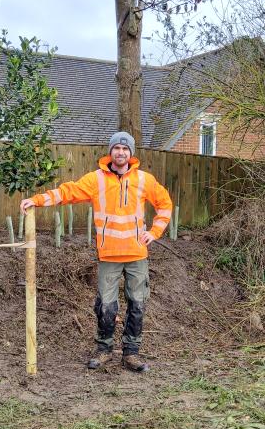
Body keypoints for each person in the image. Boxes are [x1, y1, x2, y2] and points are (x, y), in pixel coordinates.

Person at [20, 132, 172, 372]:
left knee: (138, 305)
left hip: (137, 255)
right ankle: (104, 350)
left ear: (131, 153)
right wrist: (37, 200)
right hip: (108, 256)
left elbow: (165, 204)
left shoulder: (144, 180)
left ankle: (131, 354)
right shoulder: (96, 180)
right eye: (117, 148)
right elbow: (67, 192)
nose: (121, 152)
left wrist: (155, 232)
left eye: (125, 148)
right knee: (106, 307)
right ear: (110, 151)